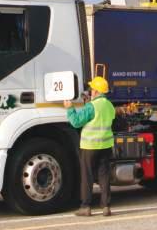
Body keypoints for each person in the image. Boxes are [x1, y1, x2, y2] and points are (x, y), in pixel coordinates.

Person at [64, 76, 115, 217]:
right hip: (105, 145)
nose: (90, 91)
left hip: (90, 146)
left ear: (96, 91)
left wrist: (70, 108)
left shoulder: (91, 106)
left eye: (92, 89)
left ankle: (85, 206)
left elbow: (76, 122)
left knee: (87, 176)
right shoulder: (109, 105)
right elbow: (108, 118)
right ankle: (106, 206)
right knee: (104, 176)